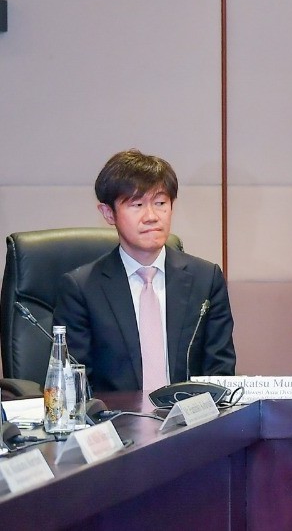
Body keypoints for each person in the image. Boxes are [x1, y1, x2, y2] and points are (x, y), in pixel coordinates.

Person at [55, 149, 236, 394]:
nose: (151, 217)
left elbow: (220, 372)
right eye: (137, 205)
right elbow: (76, 385)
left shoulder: (206, 279)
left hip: (191, 415)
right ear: (108, 213)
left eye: (160, 203)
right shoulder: (81, 288)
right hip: (115, 416)